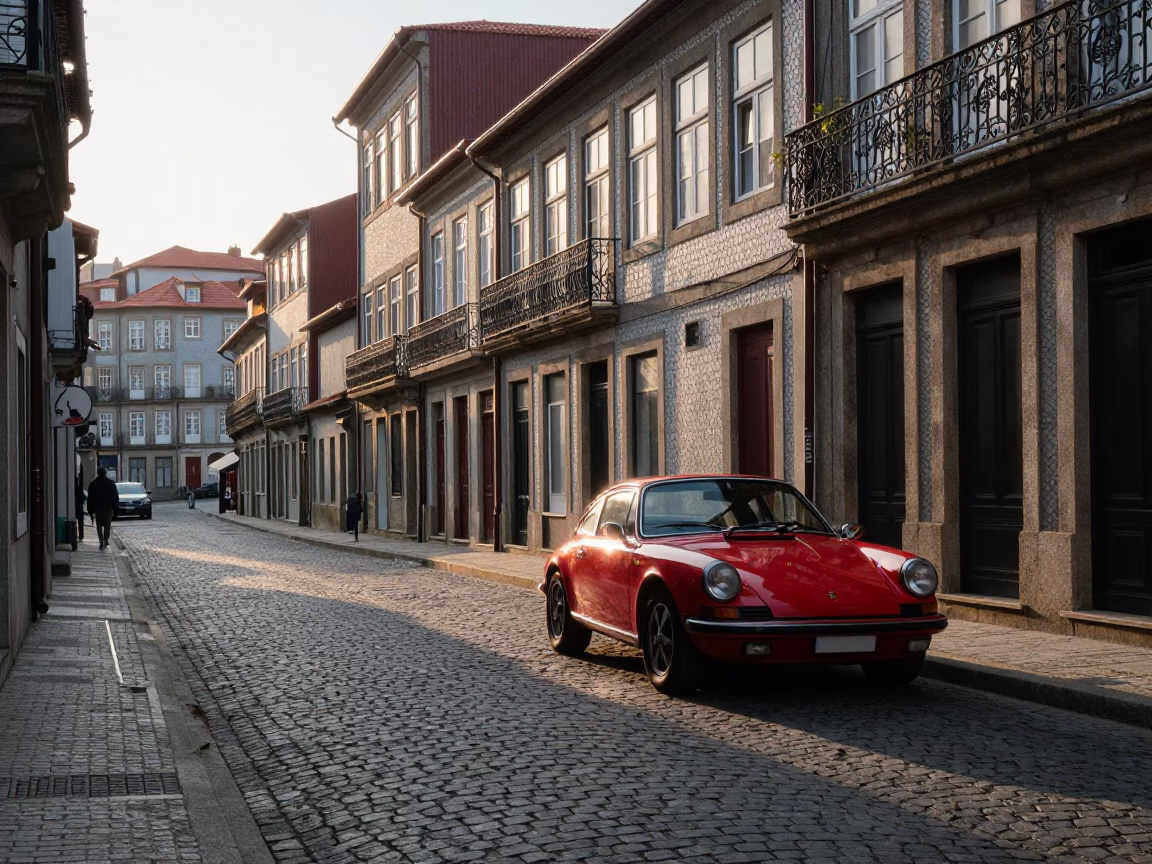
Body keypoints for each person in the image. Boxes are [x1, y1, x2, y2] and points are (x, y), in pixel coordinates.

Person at [87, 466, 119, 550]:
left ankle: (100, 539)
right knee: (107, 525)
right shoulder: (111, 483)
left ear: (98, 473)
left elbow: (89, 498)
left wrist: (90, 510)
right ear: (105, 473)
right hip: (108, 508)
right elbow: (115, 497)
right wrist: (116, 509)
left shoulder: (93, 484)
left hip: (98, 508)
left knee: (99, 525)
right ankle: (106, 539)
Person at [74, 471, 85, 543]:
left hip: (75, 507)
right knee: (80, 522)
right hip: (79, 507)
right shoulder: (79, 488)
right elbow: (83, 497)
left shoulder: (73, 488)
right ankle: (81, 535)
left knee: (78, 522)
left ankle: (80, 535)